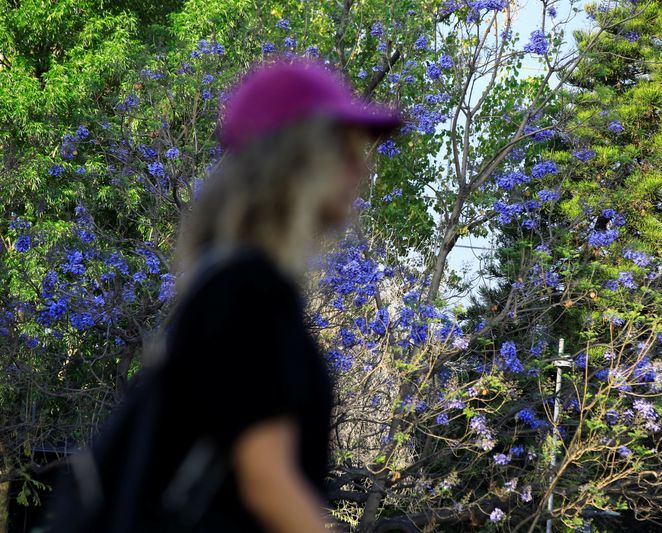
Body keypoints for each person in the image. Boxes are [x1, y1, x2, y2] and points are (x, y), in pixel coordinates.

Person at [41, 58, 402, 532]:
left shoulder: (227, 282)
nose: (361, 167)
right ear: (296, 160)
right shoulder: (250, 291)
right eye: (345, 150)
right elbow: (265, 480)